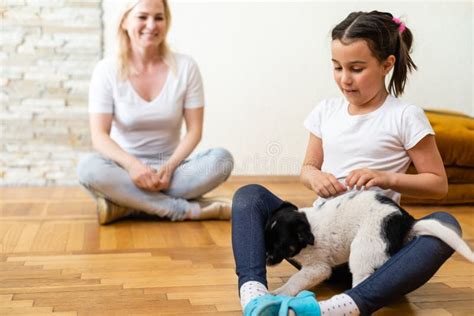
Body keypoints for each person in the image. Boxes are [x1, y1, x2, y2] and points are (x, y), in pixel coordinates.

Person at [232, 11, 461, 316]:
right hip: (315, 247)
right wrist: (315, 178)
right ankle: (254, 296)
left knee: (445, 226)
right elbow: (307, 168)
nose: (344, 78)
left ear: (387, 64)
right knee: (249, 196)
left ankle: (343, 306)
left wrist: (385, 178)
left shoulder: (405, 116)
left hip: (375, 254)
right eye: (337, 67)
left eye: (356, 68)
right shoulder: (326, 111)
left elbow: (437, 183)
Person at [77, 0, 233, 225]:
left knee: (221, 159)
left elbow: (194, 131)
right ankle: (183, 209)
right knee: (88, 168)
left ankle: (126, 205)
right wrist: (133, 167)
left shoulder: (186, 68)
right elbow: (99, 137)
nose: (151, 25)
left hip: (170, 173)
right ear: (124, 21)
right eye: (142, 17)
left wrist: (168, 168)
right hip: (123, 172)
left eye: (159, 17)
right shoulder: (106, 70)